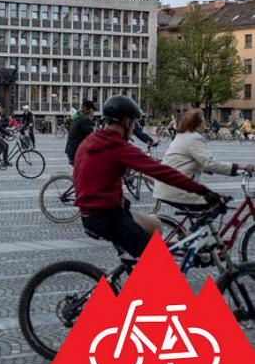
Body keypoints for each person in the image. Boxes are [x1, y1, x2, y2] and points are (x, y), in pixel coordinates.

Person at [73, 96, 224, 258]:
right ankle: (148, 278)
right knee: (158, 263)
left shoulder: (90, 140)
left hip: (101, 211)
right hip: (106, 216)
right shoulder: (118, 147)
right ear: (126, 121)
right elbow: (163, 172)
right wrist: (204, 192)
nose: (135, 127)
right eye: (134, 123)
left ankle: (137, 271)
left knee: (155, 226)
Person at [153, 109, 253, 211]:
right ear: (196, 124)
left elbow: (189, 161)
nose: (204, 123)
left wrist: (209, 169)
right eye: (203, 120)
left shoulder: (182, 135)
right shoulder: (194, 138)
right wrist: (239, 166)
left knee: (210, 206)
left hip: (166, 187)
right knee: (217, 203)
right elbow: (210, 164)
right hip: (176, 190)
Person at [65, 99, 97, 165]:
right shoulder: (85, 120)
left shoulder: (76, 117)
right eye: (94, 111)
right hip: (76, 151)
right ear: (90, 110)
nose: (94, 113)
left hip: (70, 150)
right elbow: (92, 136)